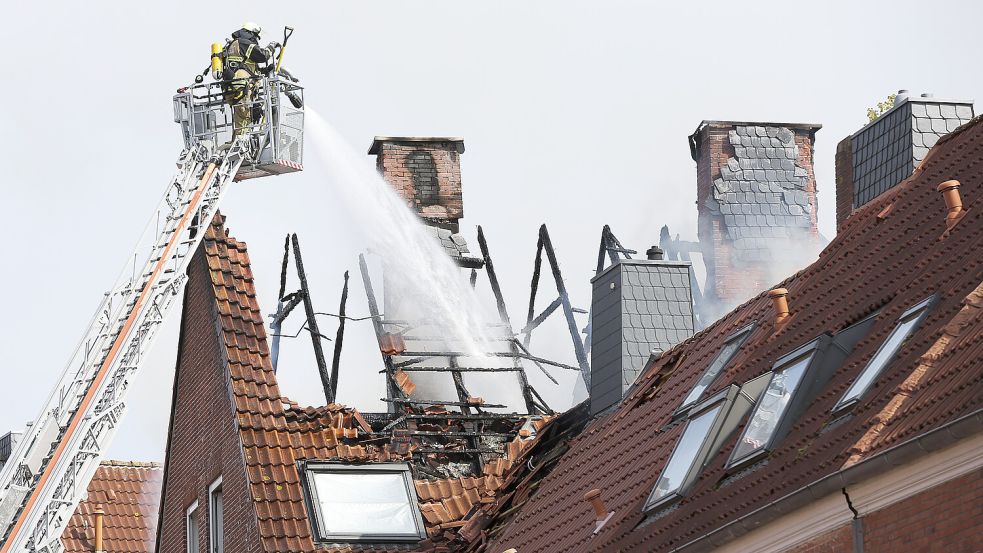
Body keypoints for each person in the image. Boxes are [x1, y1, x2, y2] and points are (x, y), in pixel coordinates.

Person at [222, 22, 279, 137]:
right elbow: (263, 55)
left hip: (236, 89)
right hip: (242, 91)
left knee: (244, 119)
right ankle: (239, 147)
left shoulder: (234, 45)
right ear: (251, 33)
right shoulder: (243, 43)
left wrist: (265, 70)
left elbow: (247, 69)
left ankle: (240, 144)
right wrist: (272, 46)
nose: (256, 40)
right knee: (244, 122)